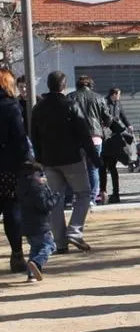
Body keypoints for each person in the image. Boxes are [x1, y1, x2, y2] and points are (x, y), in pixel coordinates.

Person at [31, 71, 101, 253]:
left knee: (55, 199)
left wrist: (38, 160)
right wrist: (96, 159)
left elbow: (34, 137)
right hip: (72, 159)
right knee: (83, 194)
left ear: (48, 85)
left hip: (49, 160)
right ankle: (74, 231)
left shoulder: (38, 108)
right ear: (63, 86)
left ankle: (60, 242)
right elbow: (84, 135)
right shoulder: (70, 105)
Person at [0, 69, 30, 273]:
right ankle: (17, 254)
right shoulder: (11, 106)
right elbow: (20, 139)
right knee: (11, 209)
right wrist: (26, 161)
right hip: (7, 167)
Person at [68, 76, 112, 205]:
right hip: (95, 137)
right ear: (90, 85)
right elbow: (108, 118)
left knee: (77, 169)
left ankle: (78, 197)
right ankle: (92, 198)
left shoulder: (71, 97)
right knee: (93, 169)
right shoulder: (99, 97)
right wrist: (103, 126)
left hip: (77, 138)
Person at [16, 161, 59, 282]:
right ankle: (37, 262)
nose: (42, 177)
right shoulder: (37, 189)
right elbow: (45, 206)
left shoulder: (22, 187)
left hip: (27, 225)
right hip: (40, 225)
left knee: (35, 248)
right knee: (50, 246)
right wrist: (55, 196)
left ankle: (31, 274)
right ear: (33, 175)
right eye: (40, 174)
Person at [101, 88, 131, 204]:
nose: (119, 97)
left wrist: (128, 125)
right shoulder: (104, 103)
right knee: (103, 168)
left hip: (115, 138)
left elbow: (123, 116)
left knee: (113, 167)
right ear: (114, 94)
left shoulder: (118, 104)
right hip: (106, 138)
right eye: (119, 95)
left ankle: (116, 193)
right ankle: (103, 192)